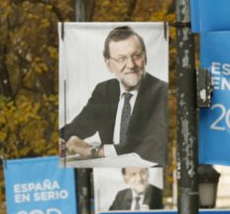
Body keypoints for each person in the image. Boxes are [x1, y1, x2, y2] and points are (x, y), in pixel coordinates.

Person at [59, 25, 168, 165]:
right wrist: (61, 140)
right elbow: (78, 127)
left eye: (136, 55)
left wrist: (93, 150)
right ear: (109, 65)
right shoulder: (104, 91)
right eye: (121, 59)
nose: (131, 65)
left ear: (145, 57)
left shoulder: (162, 92)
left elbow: (152, 146)